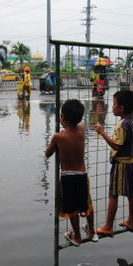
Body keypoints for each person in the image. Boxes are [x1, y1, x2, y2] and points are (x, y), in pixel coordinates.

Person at [94, 73, 133, 236]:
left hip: (121, 164)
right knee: (131, 194)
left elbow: (116, 144)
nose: (112, 107)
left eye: (114, 104)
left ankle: (108, 227)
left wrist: (102, 132)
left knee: (113, 194)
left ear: (121, 108)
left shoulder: (122, 124)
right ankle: (130, 221)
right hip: (131, 163)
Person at [45, 99, 98, 246]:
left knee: (72, 209)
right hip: (82, 176)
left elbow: (47, 154)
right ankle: (92, 231)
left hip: (67, 178)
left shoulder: (58, 137)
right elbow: (80, 124)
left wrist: (56, 142)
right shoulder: (81, 130)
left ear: (62, 118)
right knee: (87, 204)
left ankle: (77, 236)